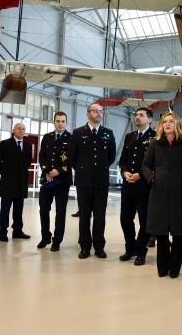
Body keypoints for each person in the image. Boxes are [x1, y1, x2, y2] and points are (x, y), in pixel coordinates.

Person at [142, 112, 182, 278]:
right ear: (161, 125)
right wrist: (152, 178)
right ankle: (162, 267)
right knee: (160, 233)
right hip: (158, 192)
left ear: (177, 124)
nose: (167, 124)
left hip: (180, 193)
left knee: (178, 233)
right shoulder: (155, 144)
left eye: (171, 122)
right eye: (165, 122)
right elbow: (145, 165)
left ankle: (174, 269)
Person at [67, 103, 116, 259]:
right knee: (85, 215)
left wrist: (100, 168)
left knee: (100, 216)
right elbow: (72, 156)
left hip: (101, 181)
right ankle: (84, 246)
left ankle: (99, 246)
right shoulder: (78, 132)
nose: (99, 113)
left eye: (100, 111)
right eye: (95, 111)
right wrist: (83, 170)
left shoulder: (108, 133)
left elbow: (111, 156)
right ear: (88, 114)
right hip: (84, 181)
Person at [118, 107, 155, 266]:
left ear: (150, 120)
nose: (137, 117)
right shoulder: (129, 136)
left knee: (145, 221)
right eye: (136, 115)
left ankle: (141, 251)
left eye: (141, 115)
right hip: (128, 185)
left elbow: (155, 162)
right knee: (125, 219)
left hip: (144, 185)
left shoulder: (155, 137)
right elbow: (123, 160)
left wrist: (140, 174)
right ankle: (130, 248)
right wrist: (125, 172)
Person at [37, 111, 72, 252]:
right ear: (54, 122)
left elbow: (72, 159)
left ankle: (57, 241)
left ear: (66, 123)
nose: (60, 124)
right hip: (48, 179)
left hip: (62, 181)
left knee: (60, 212)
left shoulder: (71, 138)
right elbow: (42, 157)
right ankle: (45, 237)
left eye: (63, 121)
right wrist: (47, 171)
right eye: (58, 121)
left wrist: (58, 171)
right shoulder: (47, 137)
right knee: (44, 209)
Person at [0, 122, 32, 243]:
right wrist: (5, 173)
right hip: (8, 183)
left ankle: (17, 231)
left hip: (21, 183)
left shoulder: (28, 145)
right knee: (5, 209)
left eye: (23, 129)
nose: (21, 131)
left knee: (18, 209)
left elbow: (27, 162)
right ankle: (3, 232)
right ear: (13, 130)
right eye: (19, 128)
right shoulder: (5, 144)